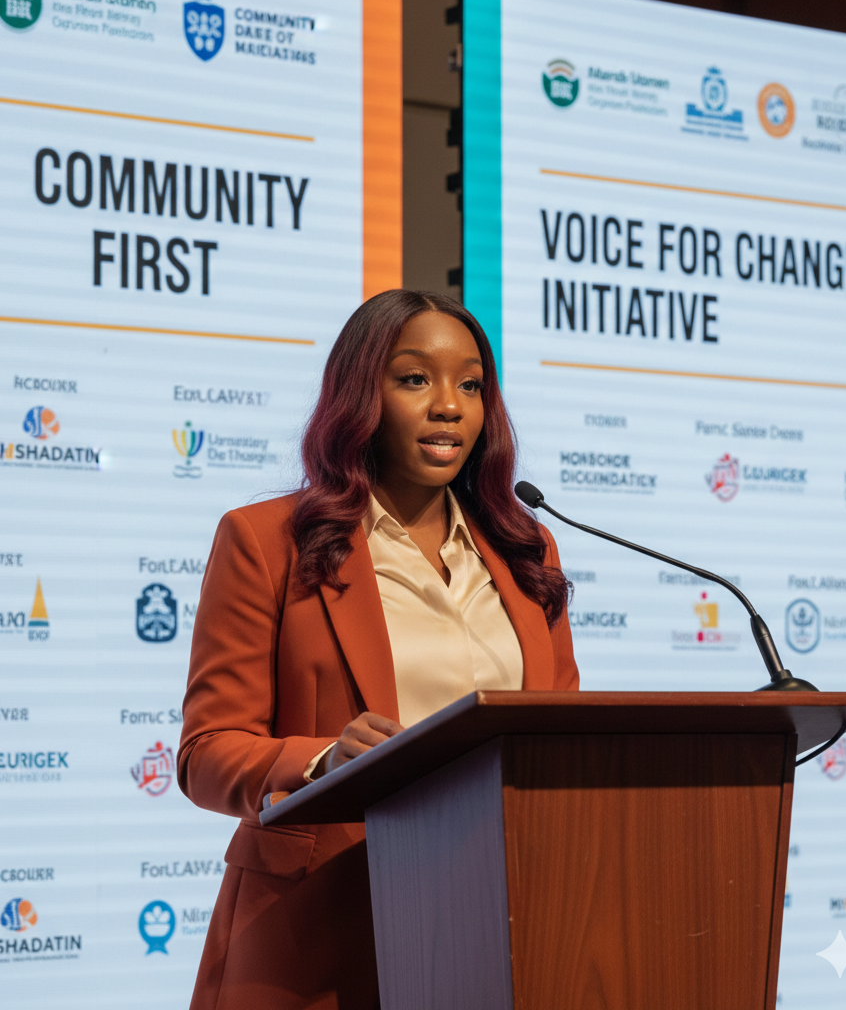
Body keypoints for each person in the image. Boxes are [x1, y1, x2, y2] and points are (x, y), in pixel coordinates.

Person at [177, 289, 578, 1010]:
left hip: (497, 920)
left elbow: (563, 735)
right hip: (320, 930)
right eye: (415, 379)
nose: (449, 406)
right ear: (361, 397)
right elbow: (206, 754)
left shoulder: (526, 549)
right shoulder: (268, 542)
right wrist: (325, 762)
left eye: (471, 385)